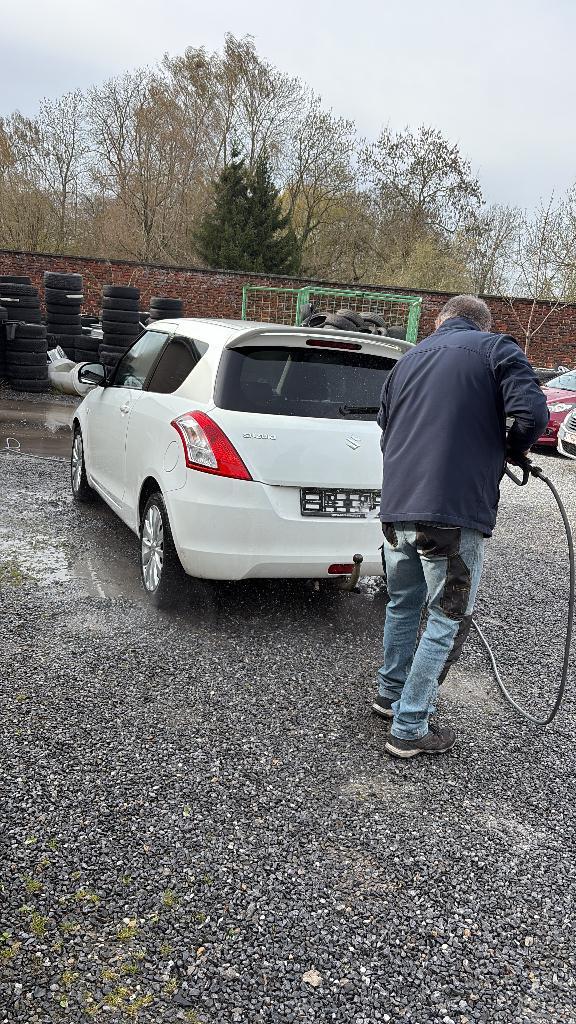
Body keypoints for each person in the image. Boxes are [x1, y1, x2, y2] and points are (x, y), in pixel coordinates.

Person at [373, 295, 549, 758]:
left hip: (396, 510)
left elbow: (385, 426)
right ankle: (409, 727)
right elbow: (532, 415)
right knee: (446, 618)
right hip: (451, 513)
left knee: (402, 604)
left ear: (440, 321)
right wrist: (511, 448)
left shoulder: (407, 359)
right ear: (482, 323)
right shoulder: (496, 348)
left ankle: (390, 696)